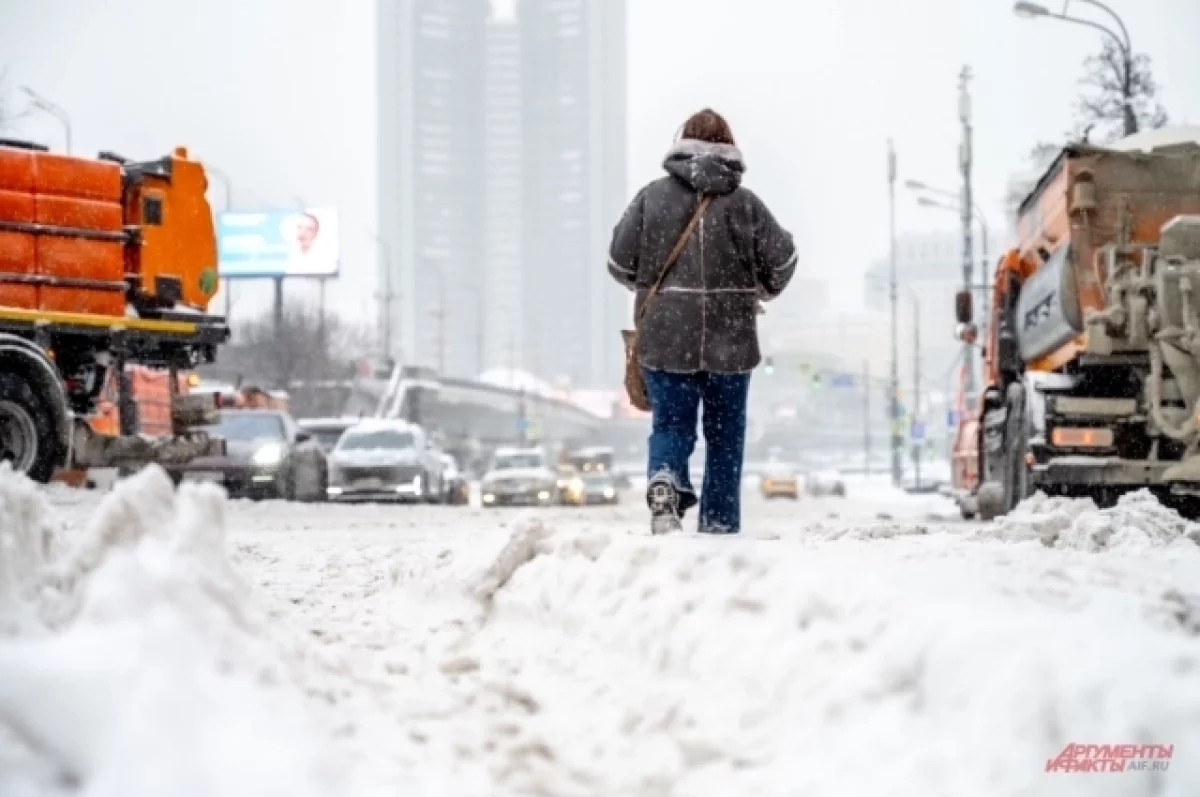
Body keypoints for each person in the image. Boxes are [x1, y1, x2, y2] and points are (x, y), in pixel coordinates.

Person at [607, 108, 796, 535]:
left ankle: (666, 479)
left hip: (666, 336)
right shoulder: (745, 205)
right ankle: (719, 525)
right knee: (725, 437)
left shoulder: (650, 198)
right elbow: (784, 260)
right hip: (731, 341)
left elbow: (618, 261)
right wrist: (758, 289)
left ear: (681, 144)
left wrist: (654, 285)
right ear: (729, 146)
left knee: (671, 424)